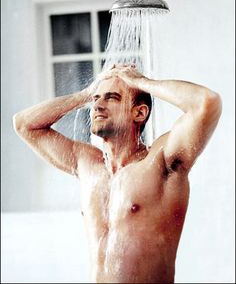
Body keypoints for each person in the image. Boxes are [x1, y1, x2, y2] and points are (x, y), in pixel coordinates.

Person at [13, 64, 222, 283]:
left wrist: (141, 82)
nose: (98, 106)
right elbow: (24, 124)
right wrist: (85, 95)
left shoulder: (160, 161)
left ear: (139, 112)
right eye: (96, 99)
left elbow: (206, 103)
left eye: (111, 98)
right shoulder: (88, 165)